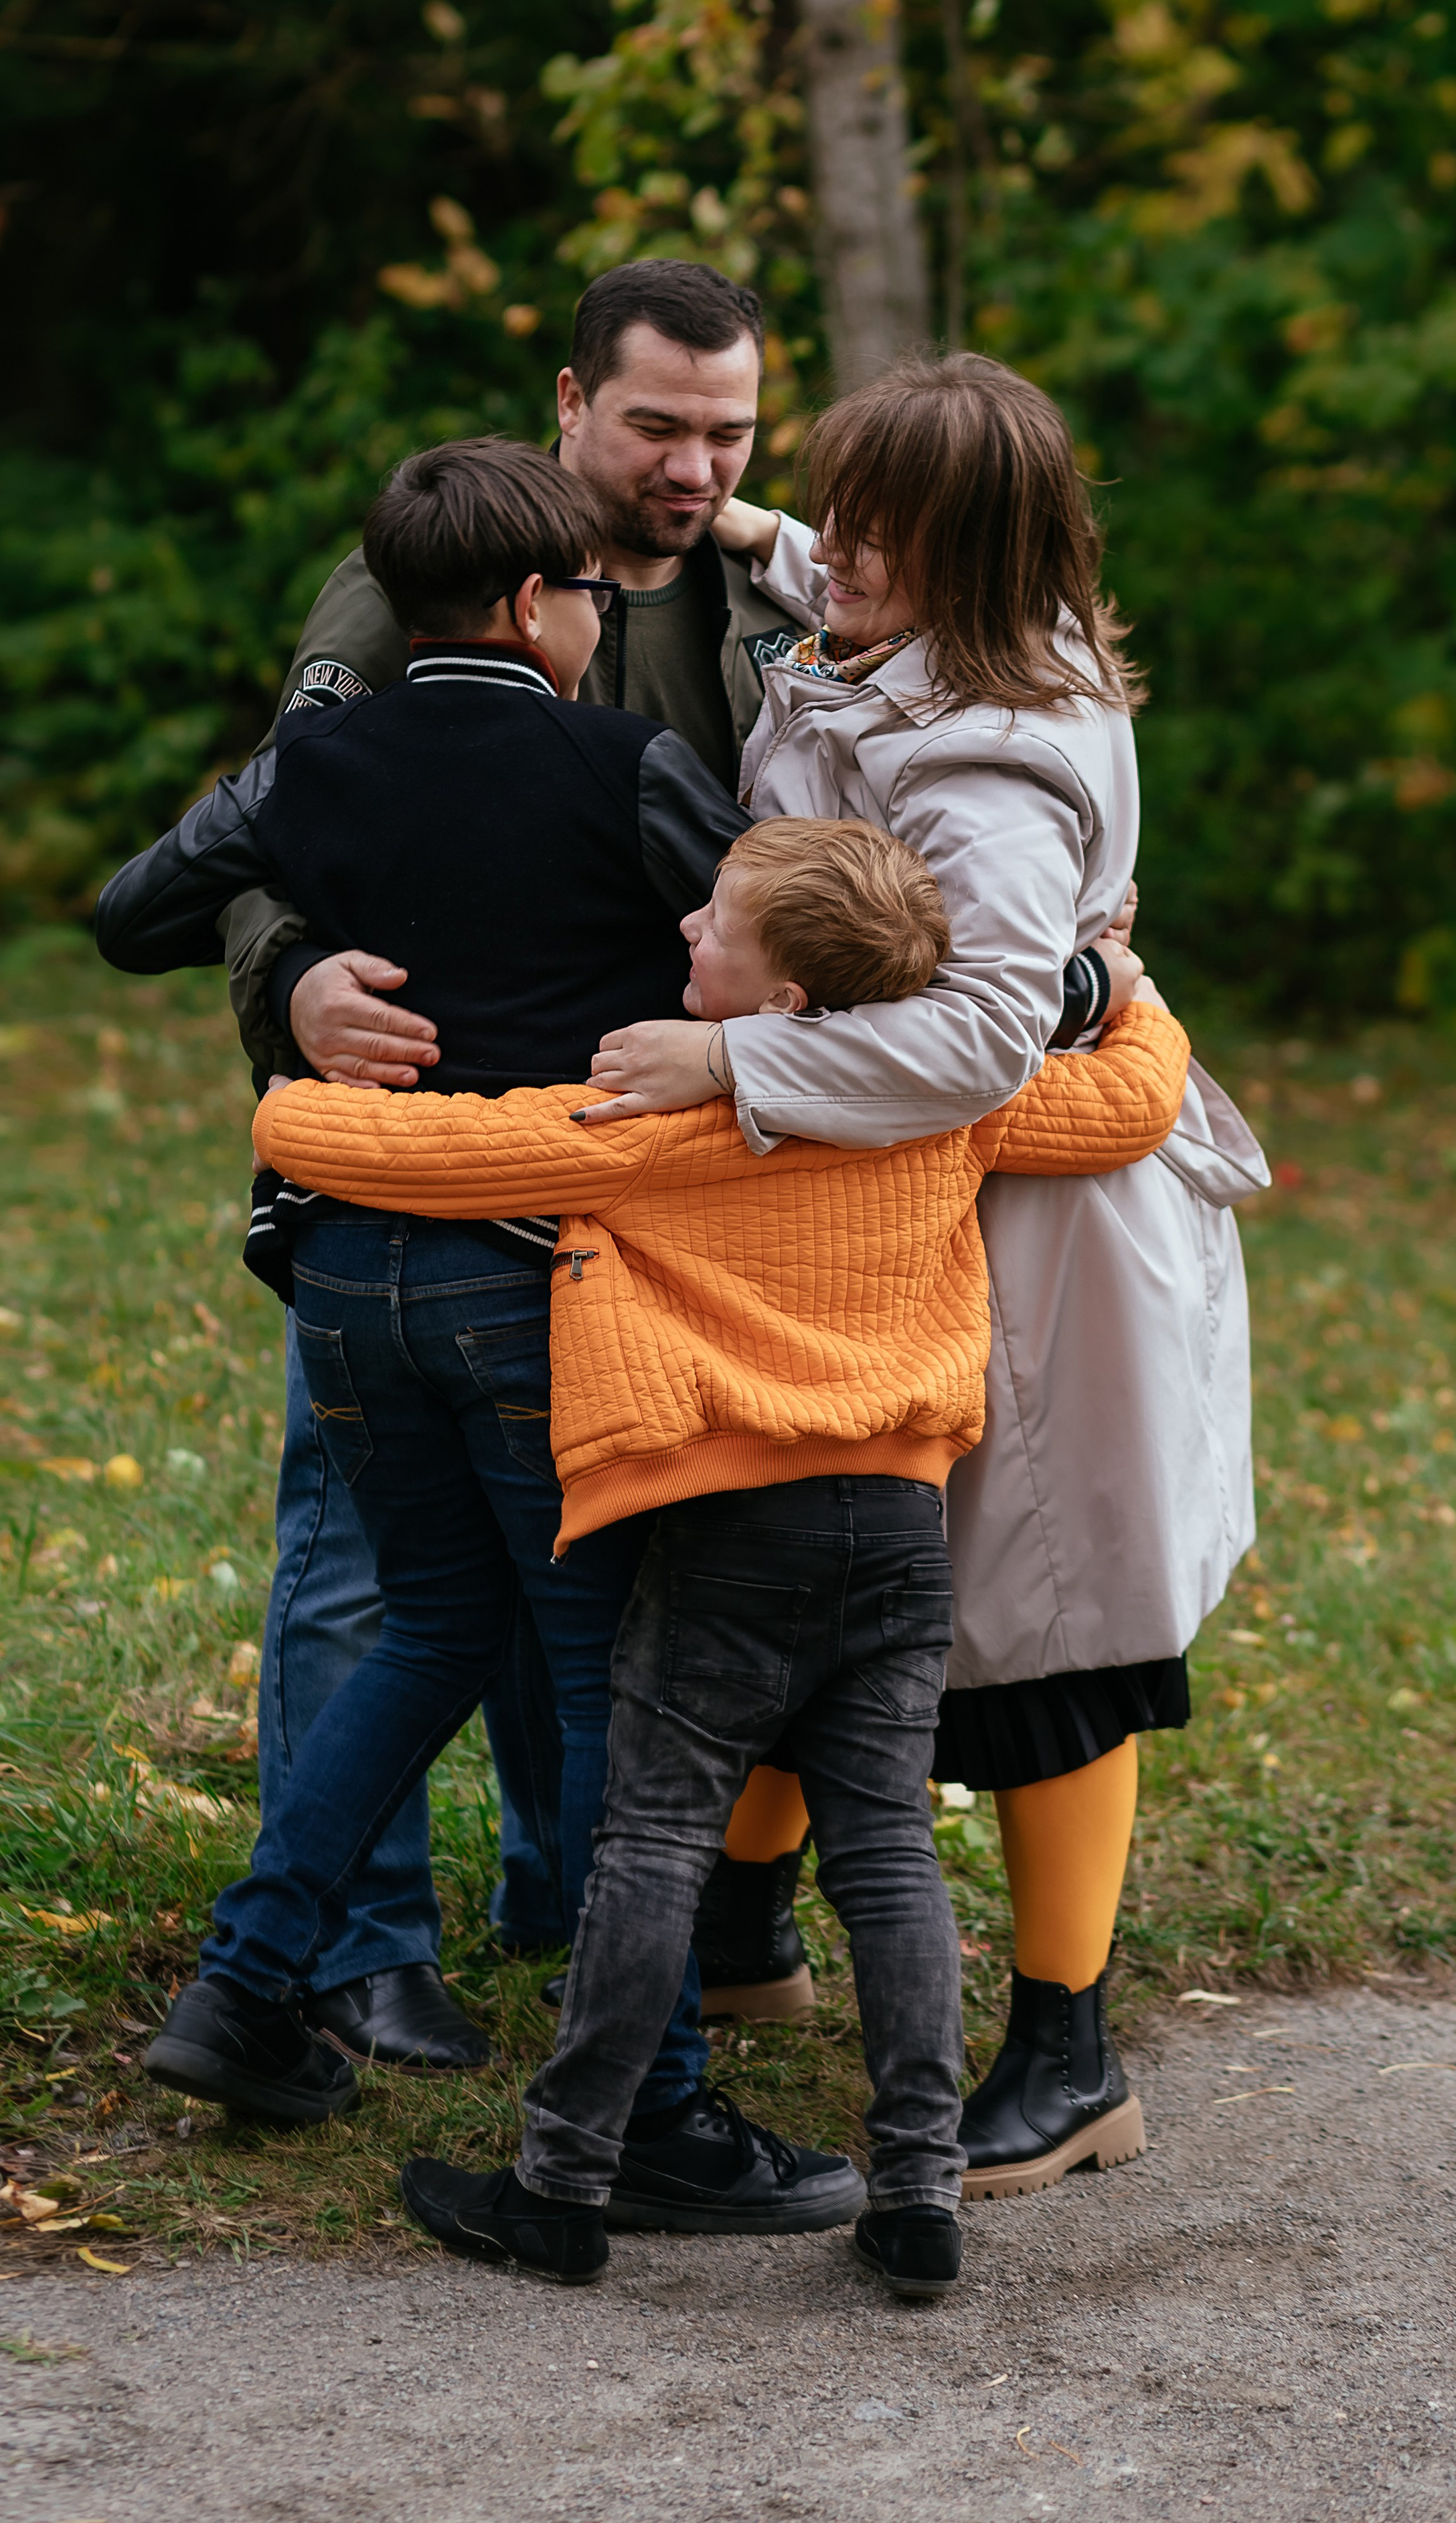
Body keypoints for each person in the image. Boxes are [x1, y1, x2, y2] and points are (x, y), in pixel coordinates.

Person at [238, 816, 1194, 2293]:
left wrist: (291, 1083)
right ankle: (918, 2195)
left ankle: (558, 2184)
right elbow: (1131, 1101)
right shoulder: (955, 1108)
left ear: (788, 1001)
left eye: (718, 923)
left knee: (650, 1844)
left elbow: (392, 1149)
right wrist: (1117, 977)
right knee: (884, 1852)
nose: (685, 926)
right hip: (896, 1531)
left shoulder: (659, 1129)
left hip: (727, 1535)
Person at [98, 258, 817, 2053]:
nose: (690, 465)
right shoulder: (409, 580)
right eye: (657, 425)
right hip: (451, 1160)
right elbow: (302, 812)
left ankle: (546, 1915)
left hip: (622, 1166)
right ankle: (381, 1953)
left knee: (540, 1579)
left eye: (727, 434)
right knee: (428, 1580)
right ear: (568, 406)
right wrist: (300, 978)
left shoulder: (771, 586)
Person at [575, 353, 1269, 2200]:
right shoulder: (898, 618)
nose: (840, 552)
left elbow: (975, 1037)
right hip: (903, 1207)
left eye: (882, 528)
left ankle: (1068, 2054)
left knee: (1036, 1632)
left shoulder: (1001, 767)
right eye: (839, 507)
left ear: (971, 559)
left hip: (1035, 1239)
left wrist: (731, 1064)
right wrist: (743, 520)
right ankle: (736, 1946)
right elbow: (821, 568)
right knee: (826, 1560)